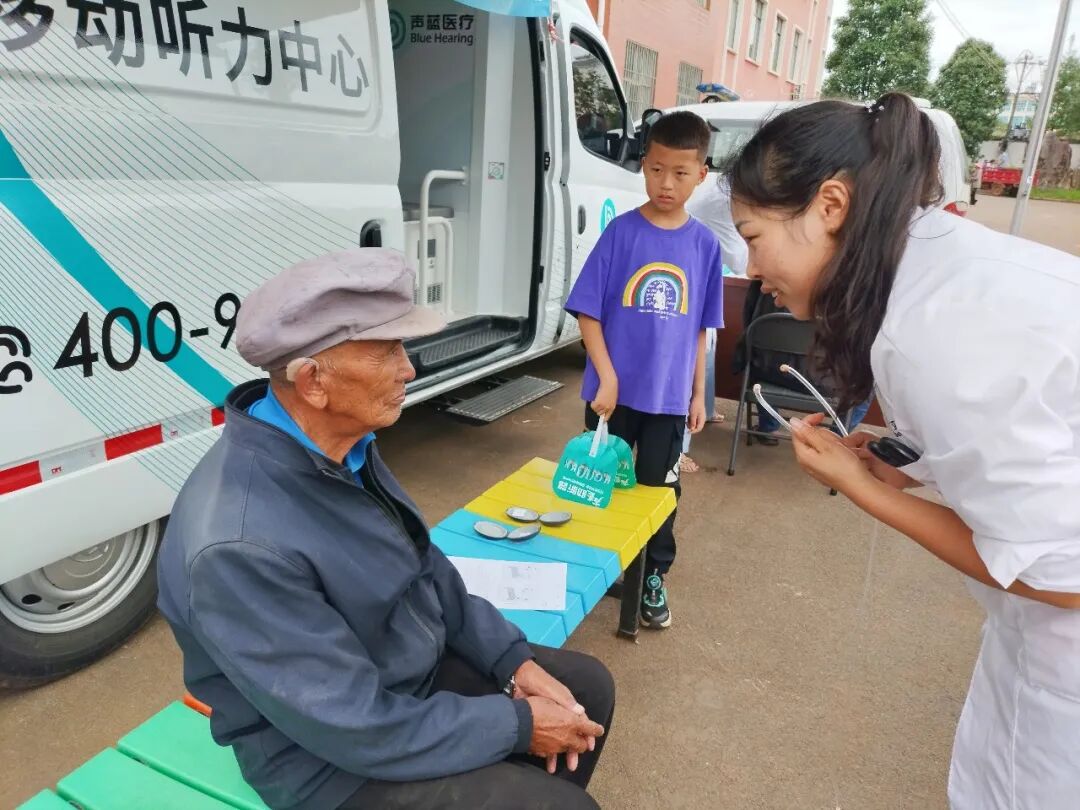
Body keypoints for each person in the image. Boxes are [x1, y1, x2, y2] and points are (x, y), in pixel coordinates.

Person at [157, 249, 614, 810]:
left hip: (394, 674)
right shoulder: (239, 543)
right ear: (313, 381)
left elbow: (424, 565)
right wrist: (516, 724)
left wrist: (509, 660)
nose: (408, 368)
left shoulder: (341, 444)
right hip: (324, 761)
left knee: (588, 689)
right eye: (386, 352)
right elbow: (354, 724)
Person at [727, 92, 1080, 809]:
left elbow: (1063, 576)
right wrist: (907, 459)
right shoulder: (946, 261)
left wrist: (868, 492)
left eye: (755, 236)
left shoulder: (930, 338)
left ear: (830, 205)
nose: (753, 269)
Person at [565, 111, 724, 629]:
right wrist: (606, 377)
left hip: (669, 400)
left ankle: (652, 575)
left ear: (702, 174)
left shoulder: (704, 246)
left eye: (680, 173)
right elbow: (589, 311)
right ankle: (596, 565)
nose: (666, 183)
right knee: (601, 482)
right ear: (644, 166)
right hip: (611, 397)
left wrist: (699, 395)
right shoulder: (620, 233)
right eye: (656, 169)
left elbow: (700, 328)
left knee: (658, 492)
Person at [677, 174, 752, 471]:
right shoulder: (730, 200)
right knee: (692, 358)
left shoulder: (730, 188)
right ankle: (677, 449)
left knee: (707, 347)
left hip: (701, 277)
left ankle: (704, 409)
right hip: (688, 281)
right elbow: (741, 261)